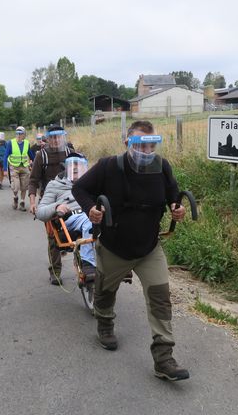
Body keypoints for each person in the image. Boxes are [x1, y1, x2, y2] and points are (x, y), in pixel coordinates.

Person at [72, 120, 189, 382]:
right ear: (127, 143)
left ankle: (164, 358)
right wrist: (91, 208)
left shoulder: (162, 167)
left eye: (151, 145)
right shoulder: (108, 166)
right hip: (115, 247)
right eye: (140, 145)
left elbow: (173, 191)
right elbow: (79, 188)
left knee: (161, 297)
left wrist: (176, 207)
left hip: (149, 247)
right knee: (104, 291)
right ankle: (104, 323)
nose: (146, 151)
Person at [35, 153, 95, 281]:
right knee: (89, 220)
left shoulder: (92, 183)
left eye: (79, 166)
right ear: (66, 168)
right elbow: (40, 212)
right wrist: (56, 207)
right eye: (72, 167)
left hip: (92, 213)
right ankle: (88, 263)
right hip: (71, 218)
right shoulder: (55, 185)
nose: (75, 169)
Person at [28, 126, 73, 284]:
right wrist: (33, 202)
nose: (56, 140)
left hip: (70, 198)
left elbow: (82, 173)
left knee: (82, 232)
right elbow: (33, 181)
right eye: (52, 137)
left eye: (59, 137)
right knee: (53, 237)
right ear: (47, 139)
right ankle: (55, 271)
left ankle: (86, 265)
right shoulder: (42, 155)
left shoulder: (71, 153)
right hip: (49, 200)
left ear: (63, 137)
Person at [4, 126, 35, 210]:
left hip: (24, 167)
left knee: (24, 186)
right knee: (16, 186)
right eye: (17, 133)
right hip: (14, 167)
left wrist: (35, 162)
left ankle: (22, 202)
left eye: (20, 133)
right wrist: (5, 170)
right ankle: (15, 197)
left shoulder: (26, 143)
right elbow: (6, 156)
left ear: (23, 134)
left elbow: (30, 154)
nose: (18, 135)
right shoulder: (10, 143)